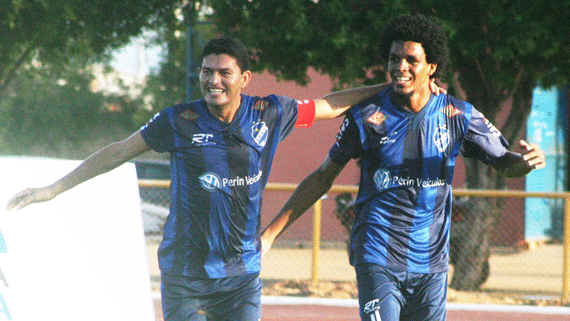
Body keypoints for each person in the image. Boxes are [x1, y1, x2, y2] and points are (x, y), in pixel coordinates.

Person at [5, 36, 444, 321]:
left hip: (241, 276)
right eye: (207, 72)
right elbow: (119, 151)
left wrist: (392, 91)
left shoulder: (269, 113)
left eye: (224, 73)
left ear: (244, 79)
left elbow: (327, 105)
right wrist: (54, 188)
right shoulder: (178, 120)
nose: (213, 80)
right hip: (185, 276)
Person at [260, 14, 546, 321]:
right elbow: (321, 178)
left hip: (432, 266)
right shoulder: (366, 116)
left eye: (411, 60)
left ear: (431, 67)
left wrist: (525, 162)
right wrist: (270, 235)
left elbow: (505, 164)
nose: (401, 67)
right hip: (378, 256)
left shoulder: (458, 115)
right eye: (394, 59)